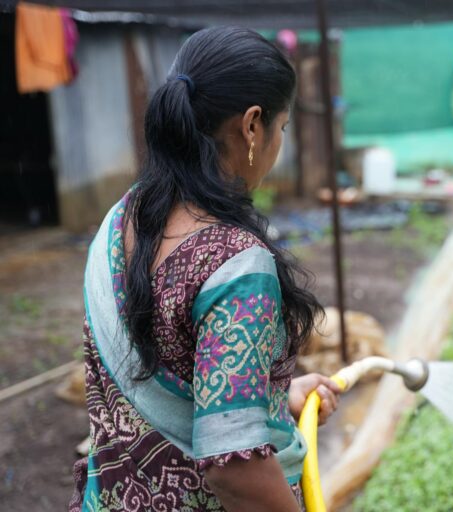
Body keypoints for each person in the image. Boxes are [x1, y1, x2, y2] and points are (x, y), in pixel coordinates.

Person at [69, 26, 341, 512]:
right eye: (282, 127)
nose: (280, 141)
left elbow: (182, 368)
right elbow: (233, 469)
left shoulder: (120, 222)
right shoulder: (235, 265)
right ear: (252, 125)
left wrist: (270, 398)